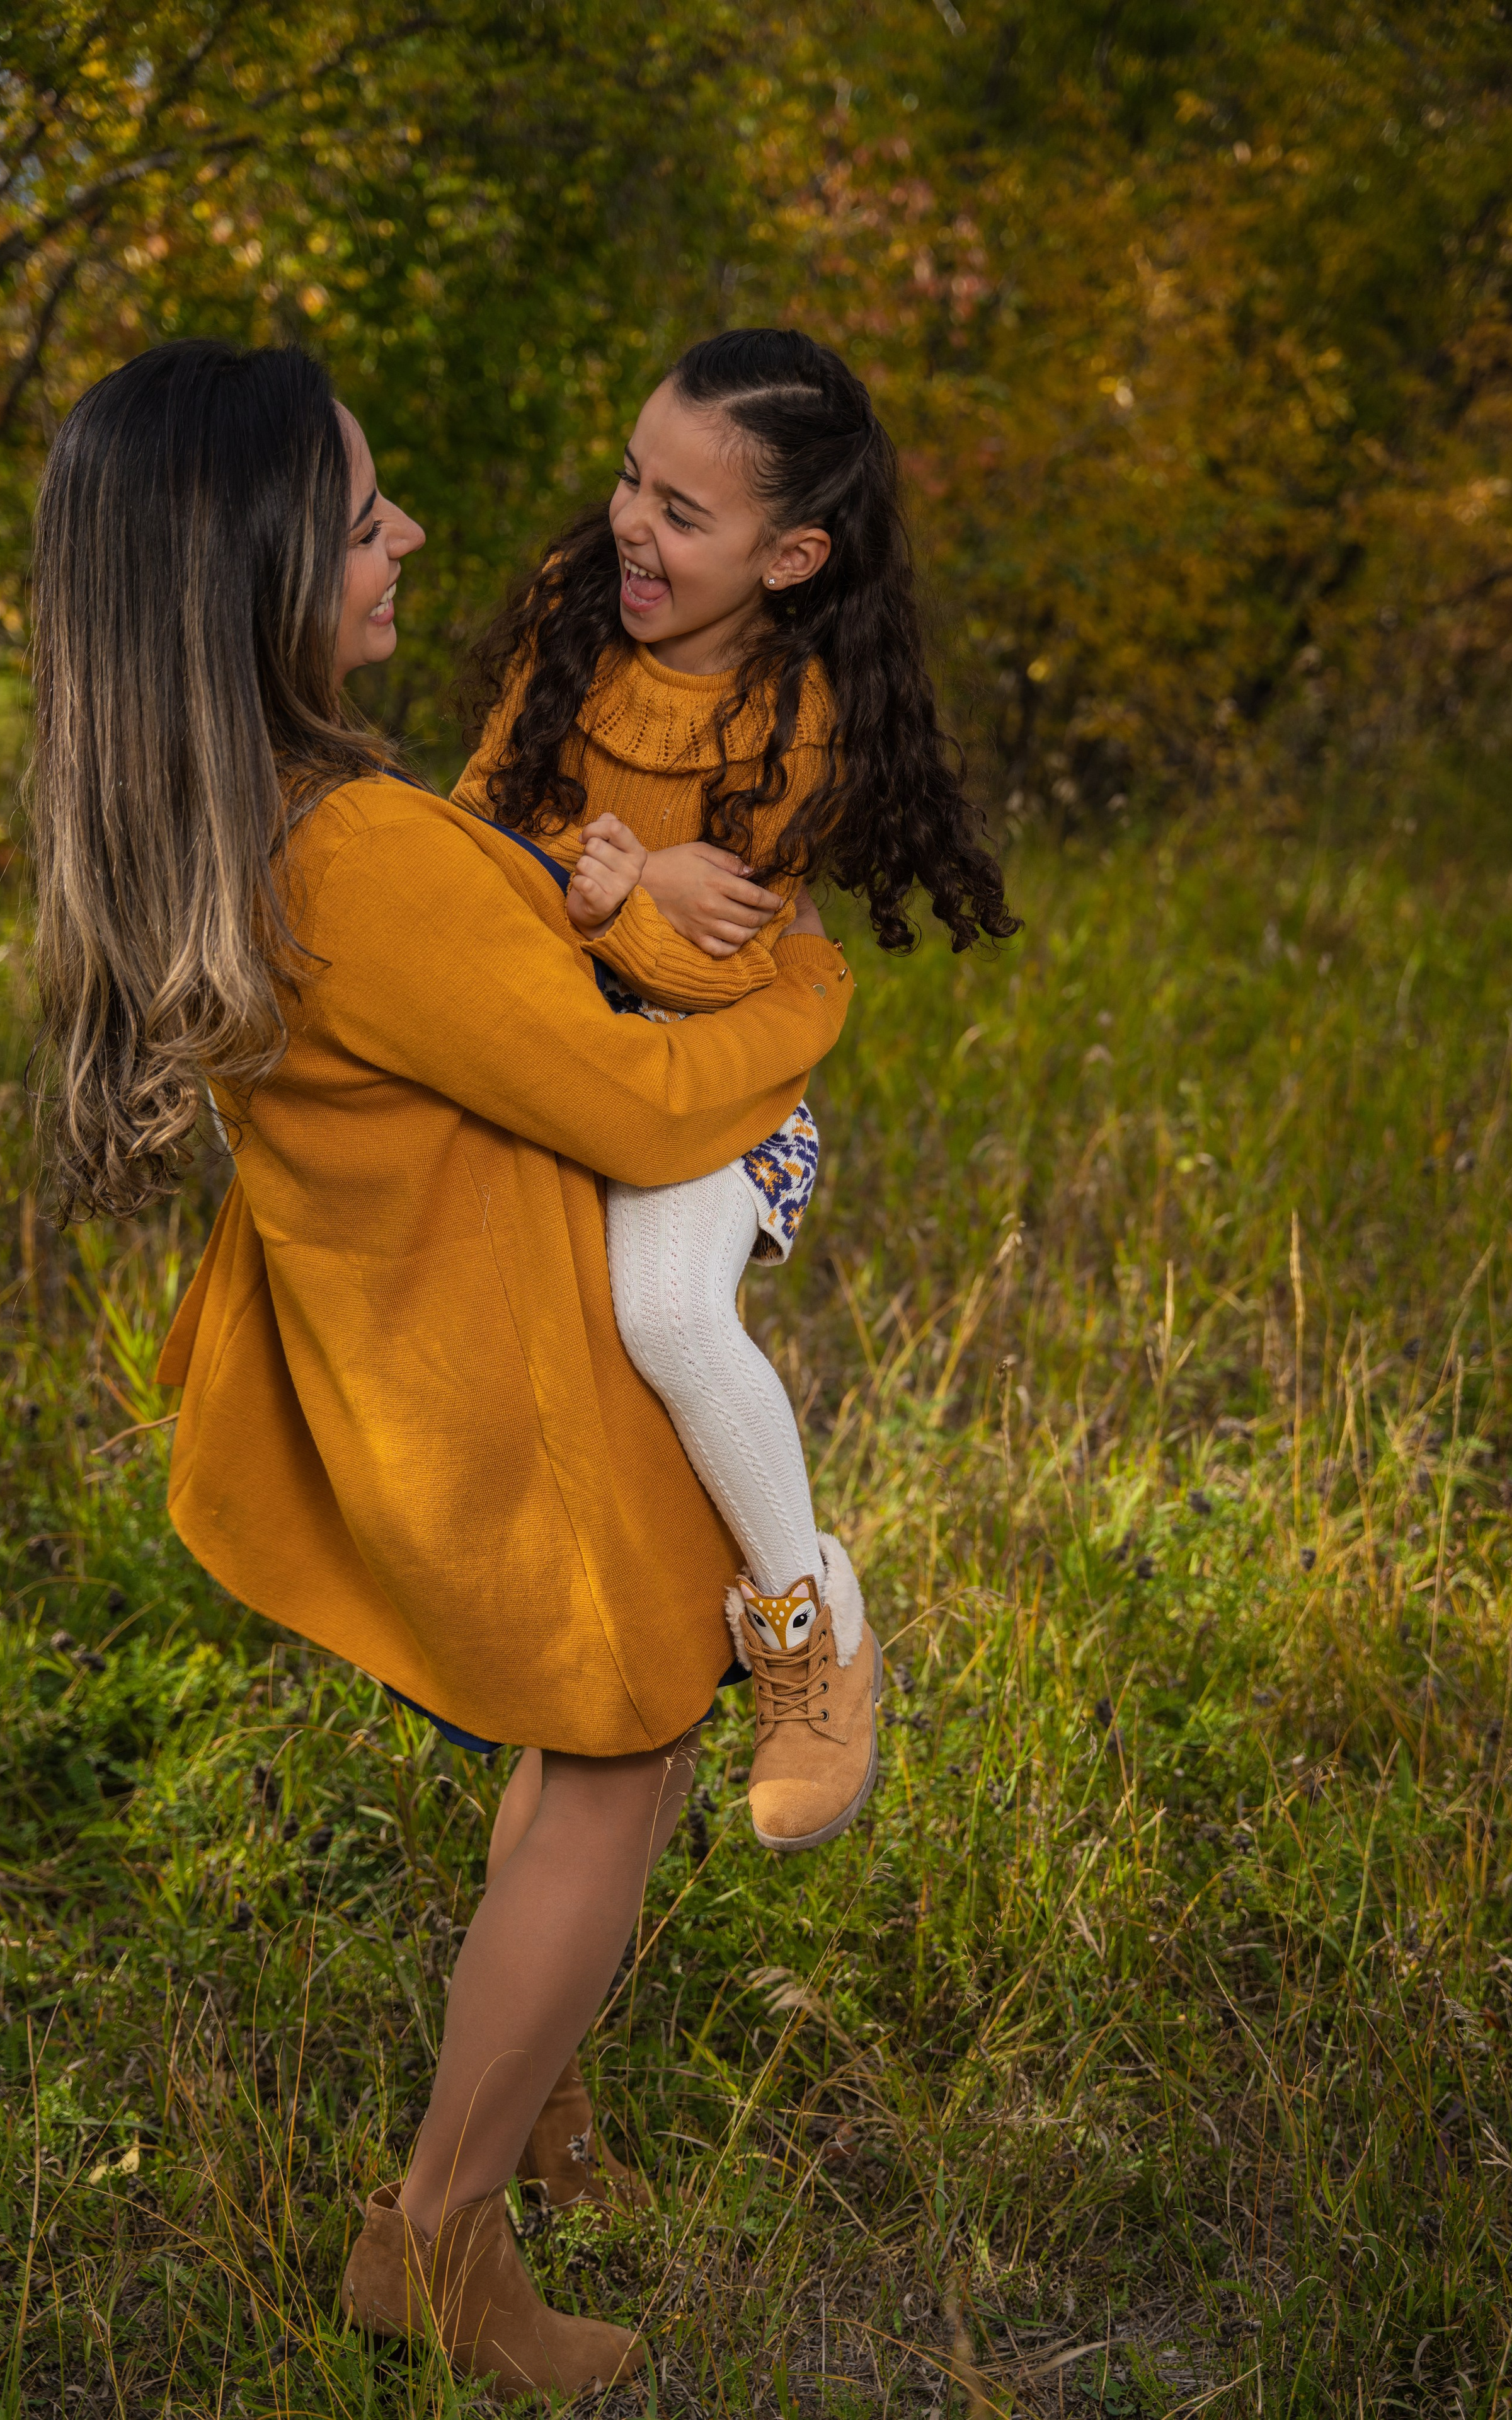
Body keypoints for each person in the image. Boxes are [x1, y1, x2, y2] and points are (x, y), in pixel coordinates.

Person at [25, 338, 853, 2393]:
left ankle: (535, 2099)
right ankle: (439, 2237)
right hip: (510, 1387)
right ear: (261, 559)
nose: (406, 533)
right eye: (367, 506)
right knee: (626, 1751)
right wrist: (807, 991)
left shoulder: (255, 811)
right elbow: (637, 1106)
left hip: (432, 1350)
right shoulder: (361, 857)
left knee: (576, 1749)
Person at [454, 328, 1017, 1853]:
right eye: (632, 479)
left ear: (790, 556)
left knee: (668, 1316)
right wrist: (611, 877)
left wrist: (613, 899)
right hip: (560, 1059)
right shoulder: (572, 628)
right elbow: (469, 843)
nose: (634, 522)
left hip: (719, 1095)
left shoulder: (793, 722)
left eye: (682, 514)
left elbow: (726, 972)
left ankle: (805, 1621)